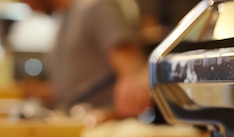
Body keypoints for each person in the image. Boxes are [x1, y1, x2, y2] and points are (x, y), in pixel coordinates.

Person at [19, 0, 152, 118]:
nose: (23, 2)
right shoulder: (64, 16)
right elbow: (73, 86)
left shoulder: (97, 7)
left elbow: (134, 75)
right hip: (72, 120)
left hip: (101, 125)